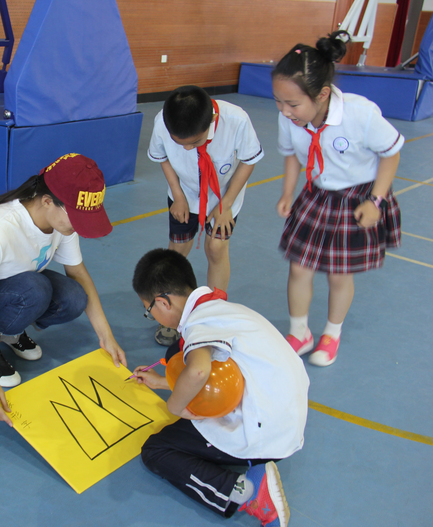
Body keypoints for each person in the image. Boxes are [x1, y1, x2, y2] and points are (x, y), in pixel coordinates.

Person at [0, 153, 127, 426]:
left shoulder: (61, 222)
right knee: (35, 289)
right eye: (76, 218)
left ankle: (9, 328)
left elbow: (79, 274)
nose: (78, 228)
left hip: (12, 285)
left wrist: (106, 336)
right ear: (48, 201)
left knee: (73, 297)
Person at [131, 249, 309, 527]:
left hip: (266, 433)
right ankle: (253, 470)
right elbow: (221, 376)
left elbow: (200, 371)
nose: (151, 316)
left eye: (148, 310)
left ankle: (246, 492)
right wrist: (162, 382)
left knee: (157, 450)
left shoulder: (198, 324)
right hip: (288, 419)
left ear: (163, 302)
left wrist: (174, 406)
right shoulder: (222, 308)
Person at [272, 31, 403, 367]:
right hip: (317, 195)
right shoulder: (290, 118)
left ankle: (332, 332)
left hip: (358, 197)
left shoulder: (360, 114)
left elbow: (391, 154)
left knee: (338, 273)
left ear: (323, 94)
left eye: (293, 103)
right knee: (299, 268)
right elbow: (291, 155)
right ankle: (300, 332)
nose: (285, 111)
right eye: (279, 102)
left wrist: (375, 202)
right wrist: (289, 192)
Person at [147, 85, 264, 347]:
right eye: (182, 143)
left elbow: (248, 160)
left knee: (216, 247)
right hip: (184, 194)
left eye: (195, 142)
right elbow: (163, 156)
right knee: (177, 251)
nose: (188, 149)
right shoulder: (162, 122)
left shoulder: (237, 120)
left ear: (211, 120)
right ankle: (172, 314)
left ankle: (214, 314)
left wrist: (227, 204)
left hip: (225, 196)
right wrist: (177, 194)